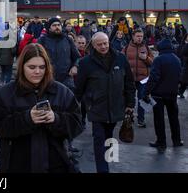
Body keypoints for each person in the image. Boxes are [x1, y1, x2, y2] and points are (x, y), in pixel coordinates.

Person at [0, 43, 83, 173]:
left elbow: (77, 124)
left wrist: (56, 119)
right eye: (32, 67)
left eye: (42, 67)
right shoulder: (5, 94)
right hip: (18, 166)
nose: (37, 71)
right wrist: (27, 119)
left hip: (56, 165)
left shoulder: (62, 92)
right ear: (22, 67)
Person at [75, 32, 135, 173]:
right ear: (93, 45)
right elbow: (79, 87)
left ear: (109, 42)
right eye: (99, 44)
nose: (103, 46)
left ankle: (107, 158)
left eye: (105, 43)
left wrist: (130, 104)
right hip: (96, 108)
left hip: (116, 106)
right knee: (99, 138)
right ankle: (103, 169)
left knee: (108, 136)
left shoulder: (120, 59)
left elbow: (129, 83)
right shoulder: (85, 63)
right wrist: (75, 106)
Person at [145, 38, 183, 152]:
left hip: (158, 95)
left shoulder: (159, 60)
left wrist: (147, 91)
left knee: (159, 119)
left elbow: (154, 78)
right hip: (172, 93)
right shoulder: (177, 59)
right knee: (174, 118)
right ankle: (176, 140)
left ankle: (161, 143)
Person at [38, 17, 80, 91]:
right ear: (49, 28)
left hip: (66, 79)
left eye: (58, 25)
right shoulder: (42, 40)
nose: (57, 27)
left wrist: (75, 66)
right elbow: (36, 57)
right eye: (54, 25)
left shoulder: (68, 39)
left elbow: (77, 57)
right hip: (48, 78)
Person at [123, 29, 154, 128]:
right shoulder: (127, 47)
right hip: (130, 79)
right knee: (129, 100)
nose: (140, 38)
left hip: (142, 79)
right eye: (138, 36)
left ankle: (141, 119)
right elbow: (120, 61)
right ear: (133, 36)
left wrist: (146, 58)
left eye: (141, 36)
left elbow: (153, 63)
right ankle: (129, 118)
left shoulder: (146, 48)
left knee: (142, 99)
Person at [177, 33, 188, 98]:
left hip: (185, 65)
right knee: (183, 81)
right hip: (183, 64)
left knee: (184, 81)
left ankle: (180, 92)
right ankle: (180, 91)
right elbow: (180, 54)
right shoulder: (182, 45)